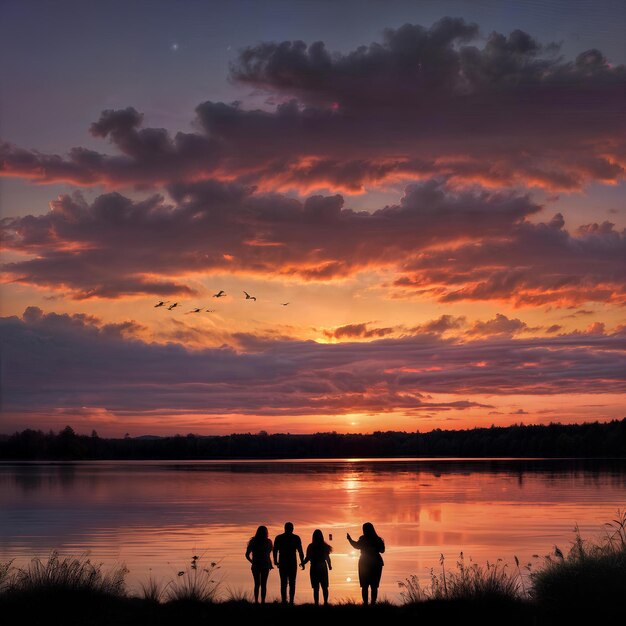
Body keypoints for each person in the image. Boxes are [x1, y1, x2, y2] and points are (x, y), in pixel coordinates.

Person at [347, 522, 385, 605]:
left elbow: (356, 546)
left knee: (365, 585)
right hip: (376, 563)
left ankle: (366, 604)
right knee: (373, 585)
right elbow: (382, 550)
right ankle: (372, 604)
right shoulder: (378, 539)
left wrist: (350, 540)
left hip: (365, 563)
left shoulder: (363, 539)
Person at [273, 521, 304, 604]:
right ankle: (290, 601)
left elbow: (275, 550)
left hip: (283, 561)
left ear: (285, 528)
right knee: (292, 583)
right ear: (292, 529)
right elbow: (300, 551)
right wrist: (302, 562)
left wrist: (275, 561)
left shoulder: (279, 538)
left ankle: (284, 601)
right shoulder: (296, 538)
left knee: (283, 583)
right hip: (291, 562)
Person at [302, 529, 333, 605]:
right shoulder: (325, 546)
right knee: (324, 587)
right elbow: (327, 557)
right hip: (323, 567)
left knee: (316, 588)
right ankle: (325, 602)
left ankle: (316, 604)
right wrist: (329, 565)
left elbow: (308, 557)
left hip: (314, 567)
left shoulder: (311, 546)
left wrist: (303, 563)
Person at [245, 525, 273, 604]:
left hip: (256, 565)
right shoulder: (268, 542)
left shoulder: (253, 541)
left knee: (257, 584)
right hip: (264, 565)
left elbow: (247, 555)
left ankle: (257, 601)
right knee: (264, 584)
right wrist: (270, 563)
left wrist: (252, 561)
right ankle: (262, 602)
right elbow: (268, 554)